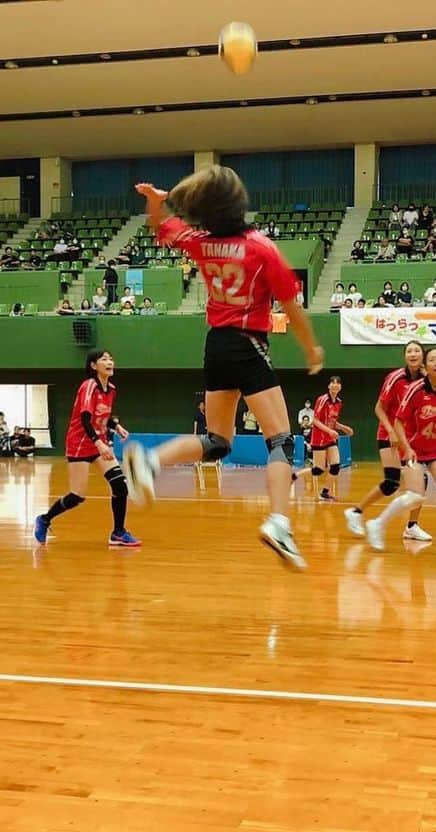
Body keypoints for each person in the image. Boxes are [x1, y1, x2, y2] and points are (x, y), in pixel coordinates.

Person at [123, 167, 323, 569]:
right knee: (281, 442)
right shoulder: (261, 248)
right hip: (248, 343)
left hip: (215, 344)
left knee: (218, 441)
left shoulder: (200, 242)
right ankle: (279, 522)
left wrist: (155, 201)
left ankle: (149, 461)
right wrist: (311, 348)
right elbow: (291, 307)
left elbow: (160, 225)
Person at [362, 347, 436, 558]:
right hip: (412, 448)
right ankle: (378, 524)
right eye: (432, 360)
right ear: (426, 366)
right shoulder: (415, 389)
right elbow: (398, 421)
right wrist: (407, 447)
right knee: (415, 496)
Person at [34, 349, 140, 549]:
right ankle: (45, 519)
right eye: (104, 359)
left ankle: (118, 533)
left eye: (111, 358)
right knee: (77, 495)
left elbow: (104, 416)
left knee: (120, 486)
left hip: (98, 442)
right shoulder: (89, 385)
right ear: (93, 366)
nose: (110, 362)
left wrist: (116, 427)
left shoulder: (111, 389)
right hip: (80, 443)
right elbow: (85, 418)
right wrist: (99, 443)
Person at [344, 341, 431, 541]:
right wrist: (391, 431)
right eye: (409, 351)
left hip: (409, 437)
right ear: (405, 356)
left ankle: (412, 526)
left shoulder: (426, 381)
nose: (413, 354)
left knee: (421, 481)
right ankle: (356, 512)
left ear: (423, 355)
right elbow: (379, 408)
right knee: (392, 482)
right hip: (389, 434)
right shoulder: (395, 378)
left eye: (417, 350)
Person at [298, 376, 353, 502]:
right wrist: (329, 431)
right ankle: (294, 476)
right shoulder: (322, 400)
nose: (335, 385)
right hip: (318, 437)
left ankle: (325, 492)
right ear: (329, 386)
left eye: (338, 383)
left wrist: (344, 428)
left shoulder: (338, 402)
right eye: (332, 383)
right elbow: (315, 420)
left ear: (340, 387)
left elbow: (333, 422)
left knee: (335, 466)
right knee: (318, 469)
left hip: (330, 438)